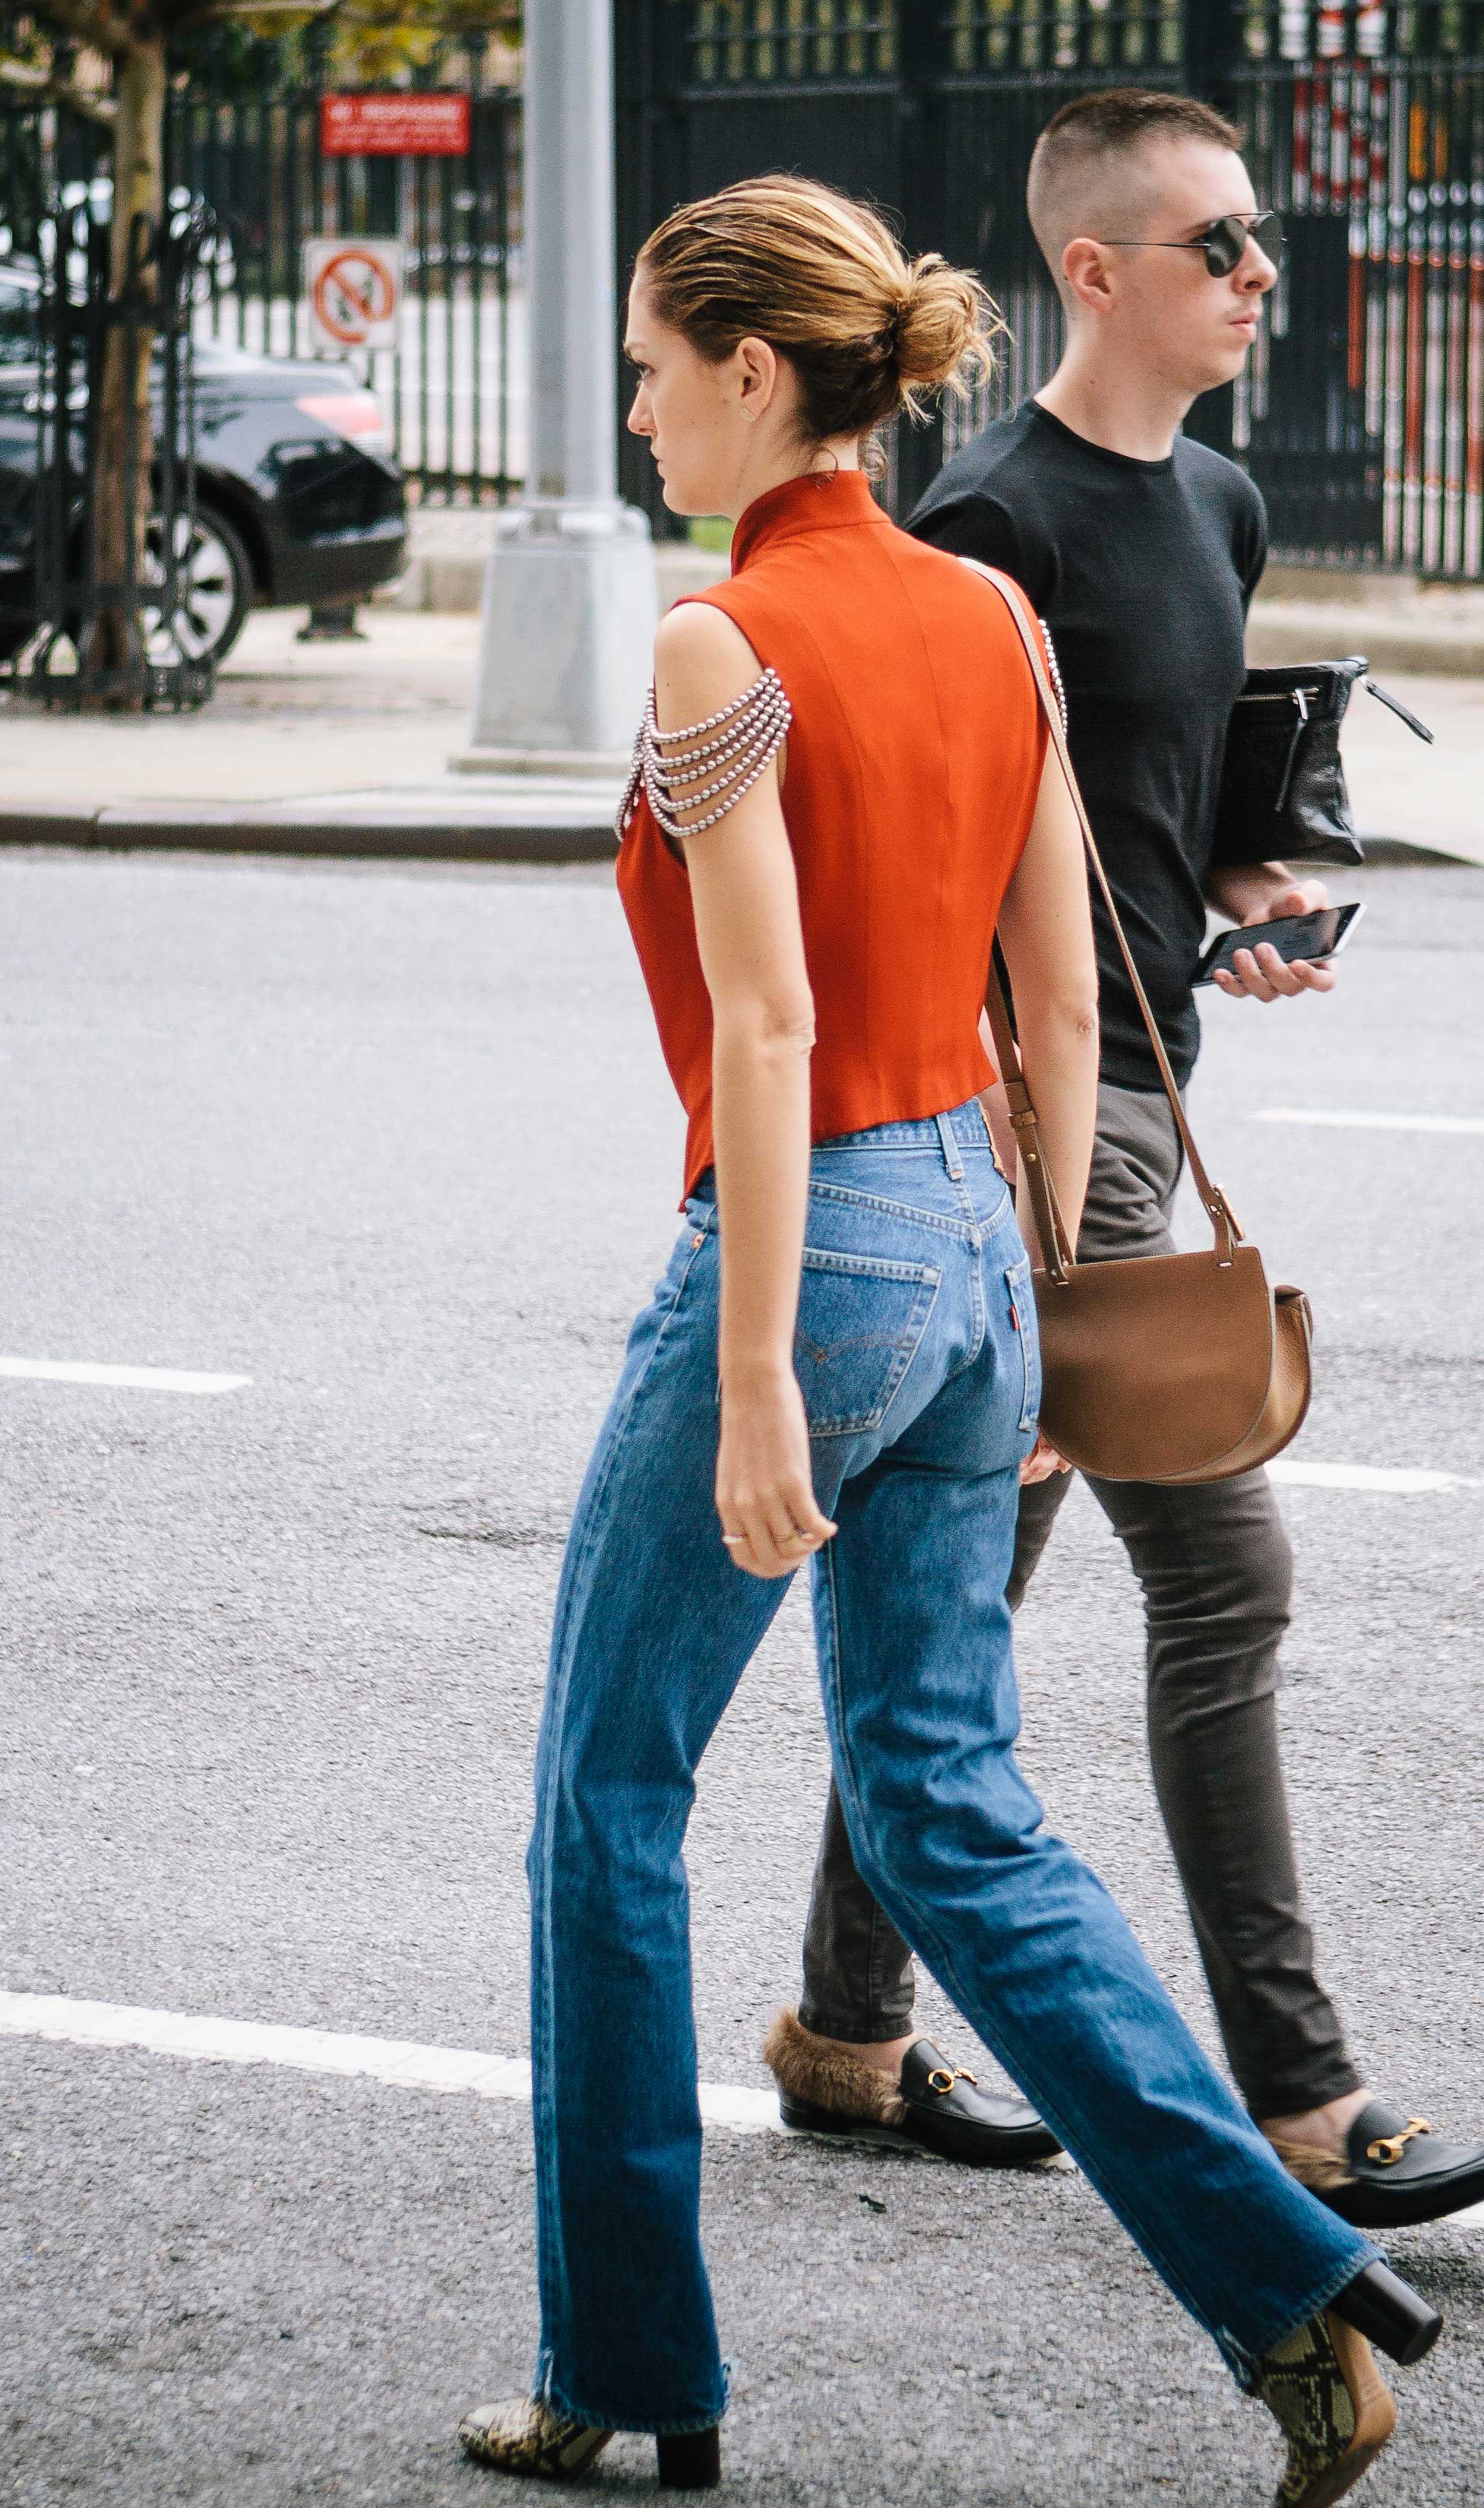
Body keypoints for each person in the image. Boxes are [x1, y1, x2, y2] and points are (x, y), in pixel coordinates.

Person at [457, 173, 1439, 2507]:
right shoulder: (994, 615)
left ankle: (626, 2368)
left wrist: (775, 1364)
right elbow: (1062, 996)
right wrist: (1015, 1300)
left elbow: (773, 1028)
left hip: (812, 1250)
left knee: (608, 1801)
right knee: (953, 1804)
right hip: (989, 1255)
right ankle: (1294, 2293)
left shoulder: (720, 642)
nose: (633, 408)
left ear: (758, 376)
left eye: (649, 366)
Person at [768, 87, 1484, 2234]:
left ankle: (843, 2026)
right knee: (1217, 1574)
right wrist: (1011, 1192)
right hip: (1025, 1124)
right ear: (1097, 270)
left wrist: (1243, 900)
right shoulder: (994, 529)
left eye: (1259, 241)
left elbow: (1156, 806)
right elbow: (943, 864)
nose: (1267, 272)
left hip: (1143, 1100)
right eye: (1225, 245)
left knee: (952, 1600)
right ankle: (1301, 2092)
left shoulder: (1226, 504)